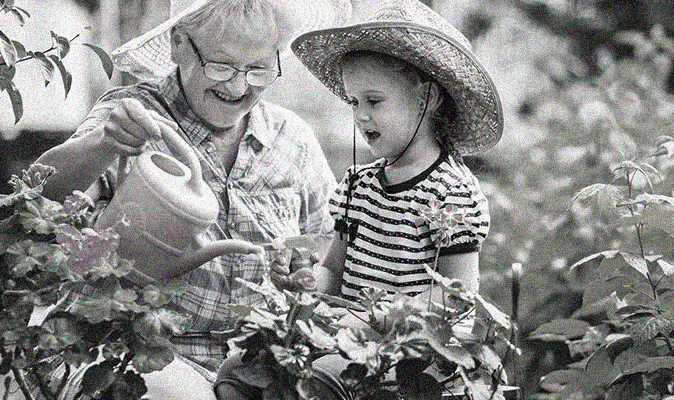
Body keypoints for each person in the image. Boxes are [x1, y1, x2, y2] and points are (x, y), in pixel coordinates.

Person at [34, 0, 351, 398]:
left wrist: (304, 271)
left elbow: (329, 257)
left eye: (258, 69)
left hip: (255, 368)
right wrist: (102, 144)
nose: (238, 87)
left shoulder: (293, 139)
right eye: (221, 66)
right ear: (179, 44)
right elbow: (38, 195)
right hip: (135, 356)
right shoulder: (135, 117)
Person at [215, 0, 503, 398]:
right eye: (353, 102)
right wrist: (304, 279)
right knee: (238, 371)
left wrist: (377, 318)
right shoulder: (359, 185)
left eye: (374, 101)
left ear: (426, 99)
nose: (360, 116)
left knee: (316, 384)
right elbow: (334, 272)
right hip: (348, 339)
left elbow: (457, 297)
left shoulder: (452, 192)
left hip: (413, 355)